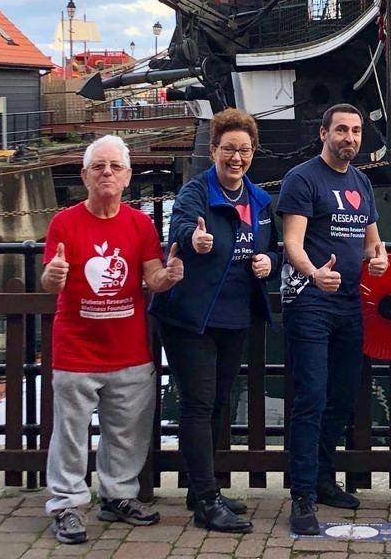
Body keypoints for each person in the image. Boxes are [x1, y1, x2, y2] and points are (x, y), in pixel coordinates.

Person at [41, 134, 183, 545]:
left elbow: (151, 276)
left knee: (127, 431)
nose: (107, 173)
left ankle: (118, 496)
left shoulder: (139, 224)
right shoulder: (63, 223)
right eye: (98, 166)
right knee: (70, 432)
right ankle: (66, 504)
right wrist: (52, 277)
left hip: (128, 350)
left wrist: (168, 276)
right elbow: (52, 278)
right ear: (85, 175)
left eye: (115, 167)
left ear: (128, 177)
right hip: (76, 350)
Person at [149, 109, 279, 534]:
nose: (236, 158)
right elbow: (181, 227)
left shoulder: (259, 201)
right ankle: (206, 501)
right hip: (192, 316)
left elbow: (274, 249)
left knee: (219, 403)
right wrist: (194, 239)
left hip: (235, 314)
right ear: (213, 151)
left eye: (243, 150)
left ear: (252, 153)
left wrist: (268, 263)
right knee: (198, 403)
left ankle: (199, 488)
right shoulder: (196, 192)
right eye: (228, 150)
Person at [276, 103, 389, 535]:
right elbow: (292, 242)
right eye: (341, 130)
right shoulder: (302, 178)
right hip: (309, 301)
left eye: (356, 131)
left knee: (342, 395)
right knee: (311, 397)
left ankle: (324, 479)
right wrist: (313, 273)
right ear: (323, 134)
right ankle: (302, 495)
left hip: (348, 303)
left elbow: (372, 244)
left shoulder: (361, 182)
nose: (349, 138)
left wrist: (377, 261)